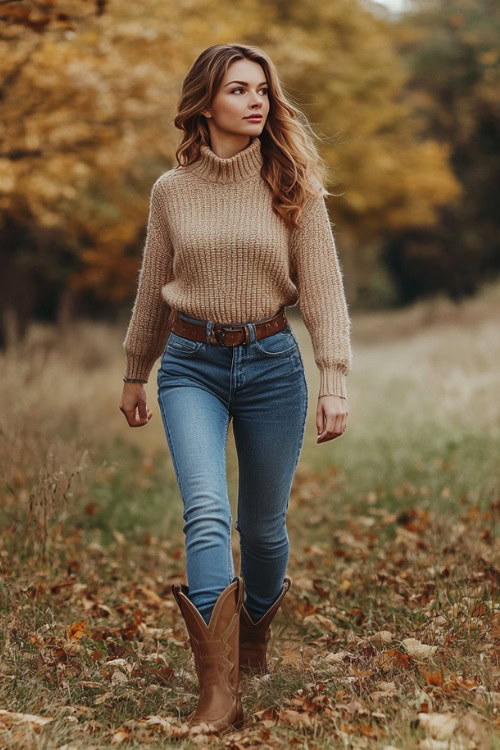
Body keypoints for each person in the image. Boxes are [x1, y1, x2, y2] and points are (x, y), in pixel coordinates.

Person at [119, 43, 352, 735]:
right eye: (238, 90)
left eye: (262, 90)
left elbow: (326, 295)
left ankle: (251, 641)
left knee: (264, 531)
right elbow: (150, 291)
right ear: (206, 102)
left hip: (272, 365)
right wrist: (137, 369)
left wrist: (333, 378)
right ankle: (218, 693)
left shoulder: (292, 185)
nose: (257, 101)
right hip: (191, 365)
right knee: (206, 515)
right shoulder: (172, 191)